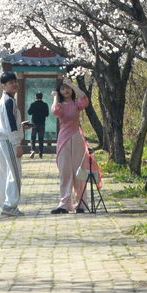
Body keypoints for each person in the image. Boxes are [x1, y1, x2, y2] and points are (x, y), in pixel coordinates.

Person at [50, 76, 101, 213]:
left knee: (79, 171)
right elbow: (55, 110)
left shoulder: (76, 104)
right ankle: (65, 204)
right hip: (64, 140)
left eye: (67, 88)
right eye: (62, 88)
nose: (65, 90)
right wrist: (55, 97)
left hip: (77, 139)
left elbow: (84, 99)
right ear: (59, 91)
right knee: (65, 172)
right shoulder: (59, 105)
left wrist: (72, 84)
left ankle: (81, 204)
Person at [0, 71, 23, 216]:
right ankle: (10, 205)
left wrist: (21, 126)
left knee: (5, 173)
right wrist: (17, 143)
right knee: (14, 173)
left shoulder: (5, 100)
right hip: (8, 141)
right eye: (10, 83)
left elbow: (10, 123)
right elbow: (11, 125)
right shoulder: (8, 101)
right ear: (3, 85)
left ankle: (5, 203)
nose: (14, 85)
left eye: (15, 82)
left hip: (2, 140)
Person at [27, 91, 49, 158]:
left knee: (33, 138)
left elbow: (29, 112)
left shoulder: (33, 104)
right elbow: (47, 114)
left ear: (35, 97)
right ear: (42, 97)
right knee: (41, 139)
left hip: (34, 123)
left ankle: (32, 150)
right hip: (42, 123)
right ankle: (40, 153)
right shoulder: (45, 105)